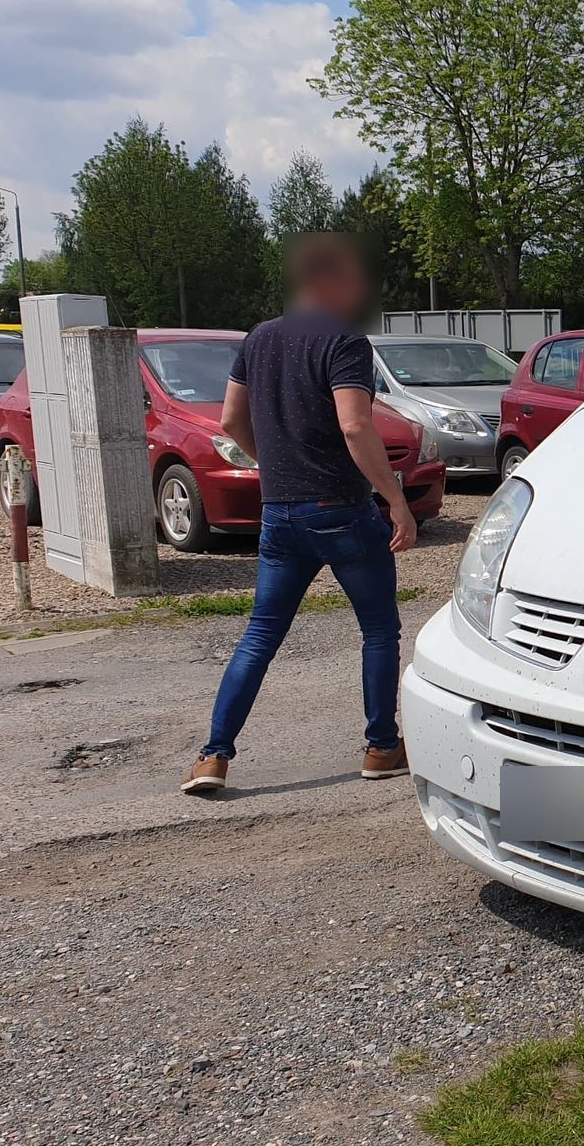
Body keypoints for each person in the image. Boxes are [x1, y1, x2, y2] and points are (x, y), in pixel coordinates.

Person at [182, 234, 417, 795]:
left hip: (280, 515)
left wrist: (276, 466)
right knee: (379, 631)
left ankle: (213, 757)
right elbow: (356, 424)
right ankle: (382, 747)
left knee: (260, 636)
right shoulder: (345, 341)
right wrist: (396, 500)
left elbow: (231, 420)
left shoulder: (258, 339)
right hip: (341, 512)